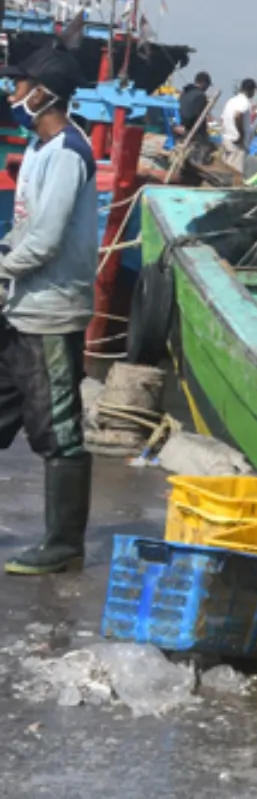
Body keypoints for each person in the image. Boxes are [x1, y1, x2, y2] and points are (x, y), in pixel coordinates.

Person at [0, 49, 98, 575]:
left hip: (51, 312)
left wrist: (5, 269)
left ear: (44, 93)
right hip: (19, 308)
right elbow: (23, 227)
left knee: (58, 429)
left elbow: (47, 239)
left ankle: (64, 544)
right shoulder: (38, 150)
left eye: (20, 86)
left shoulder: (67, 152)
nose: (12, 94)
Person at [174, 71, 214, 156]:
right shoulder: (200, 96)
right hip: (190, 132)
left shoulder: (185, 92)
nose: (207, 88)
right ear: (203, 83)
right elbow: (192, 114)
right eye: (207, 85)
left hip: (179, 127)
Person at [221, 78, 257, 162]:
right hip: (237, 143)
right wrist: (241, 134)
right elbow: (237, 116)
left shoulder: (231, 101)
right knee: (235, 172)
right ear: (250, 90)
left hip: (227, 139)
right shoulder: (244, 102)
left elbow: (223, 120)